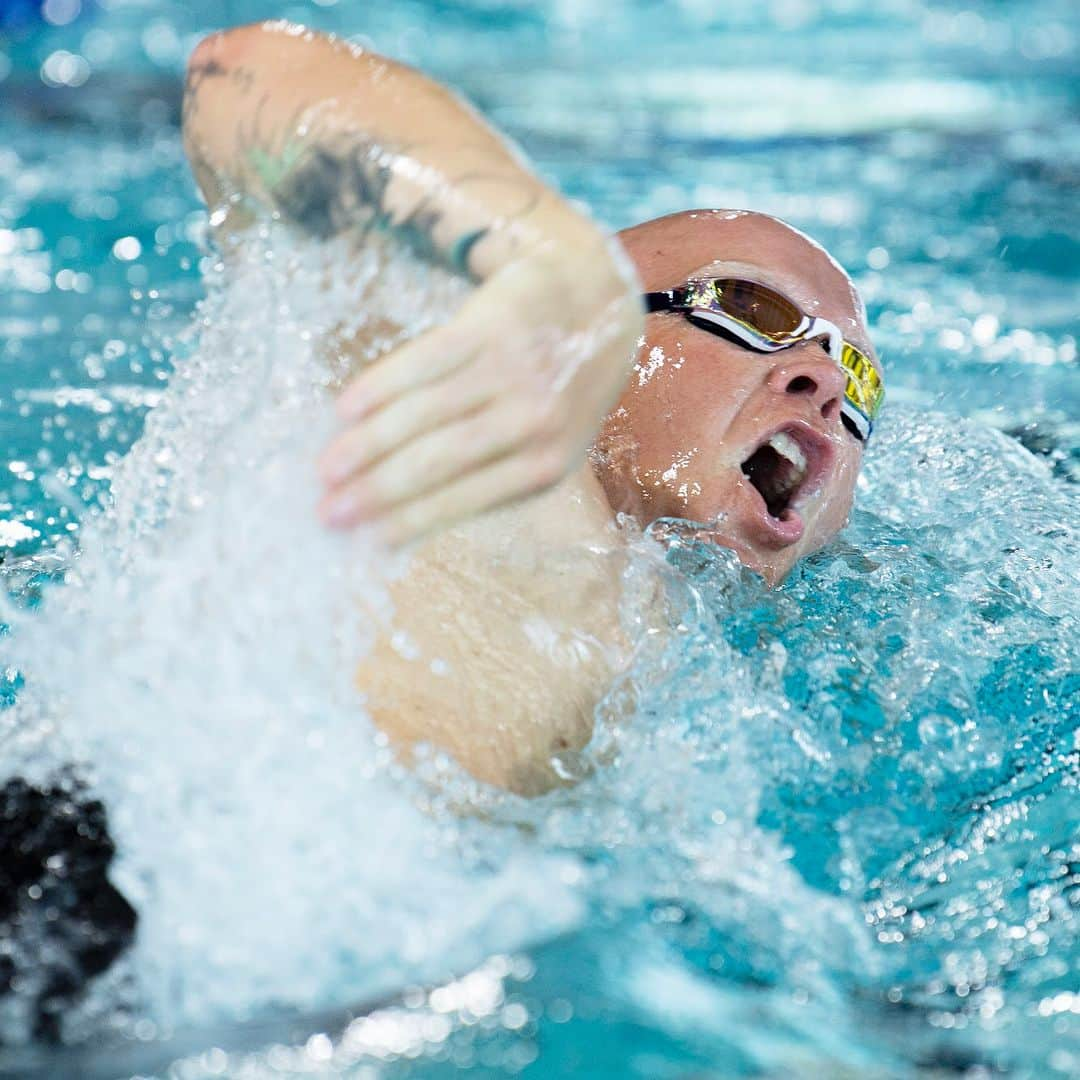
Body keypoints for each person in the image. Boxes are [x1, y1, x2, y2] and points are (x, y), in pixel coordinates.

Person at [181, 22, 885, 795]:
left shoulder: (722, 665)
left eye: (859, 379)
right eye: (751, 309)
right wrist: (542, 262)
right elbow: (242, 74)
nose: (824, 380)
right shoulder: (460, 422)